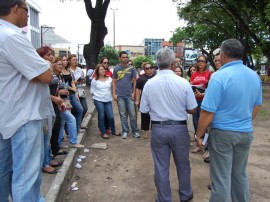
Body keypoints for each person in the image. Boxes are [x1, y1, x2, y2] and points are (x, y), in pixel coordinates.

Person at [196, 39, 262, 202]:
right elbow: (256, 107)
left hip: (223, 133)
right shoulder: (254, 76)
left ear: (223, 55)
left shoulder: (219, 77)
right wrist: (243, 121)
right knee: (239, 175)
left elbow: (207, 112)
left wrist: (199, 135)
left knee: (221, 179)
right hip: (245, 132)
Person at [0, 0, 54, 201]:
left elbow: (36, 73)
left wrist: (37, 72)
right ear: (15, 8)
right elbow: (45, 75)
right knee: (26, 177)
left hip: (7, 112)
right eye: (26, 10)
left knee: (5, 172)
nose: (27, 15)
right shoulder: (13, 36)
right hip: (23, 114)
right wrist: (41, 69)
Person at [140, 48, 198, 202]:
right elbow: (192, 109)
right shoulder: (183, 83)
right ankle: (185, 195)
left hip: (158, 129)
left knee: (161, 167)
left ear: (157, 64)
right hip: (179, 129)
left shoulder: (149, 84)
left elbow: (144, 109)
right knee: (183, 165)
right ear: (173, 64)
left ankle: (164, 199)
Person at [112, 51, 140, 139]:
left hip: (129, 95)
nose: (125, 59)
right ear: (120, 58)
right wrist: (114, 94)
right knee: (123, 115)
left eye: (126, 57)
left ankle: (135, 131)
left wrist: (133, 93)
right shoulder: (116, 68)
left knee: (132, 114)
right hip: (120, 95)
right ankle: (125, 131)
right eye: (123, 57)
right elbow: (114, 82)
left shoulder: (131, 69)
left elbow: (135, 81)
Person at [190, 55, 212, 155]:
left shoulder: (209, 74)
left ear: (206, 62)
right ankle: (199, 144)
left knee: (205, 123)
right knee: (196, 121)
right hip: (195, 100)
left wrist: (203, 94)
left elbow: (211, 89)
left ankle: (206, 146)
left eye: (203, 61)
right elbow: (190, 85)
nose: (200, 63)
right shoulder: (194, 74)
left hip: (205, 101)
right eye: (199, 61)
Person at [91, 64, 119, 139]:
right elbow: (92, 90)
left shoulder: (109, 79)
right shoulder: (94, 80)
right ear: (97, 71)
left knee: (110, 116)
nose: (103, 71)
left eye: (103, 69)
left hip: (108, 100)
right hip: (98, 100)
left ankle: (113, 131)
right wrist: (95, 98)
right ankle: (103, 132)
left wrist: (114, 95)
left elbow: (113, 88)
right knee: (101, 116)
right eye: (101, 69)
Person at [135, 62, 156, 139]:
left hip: (155, 100)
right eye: (147, 68)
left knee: (155, 116)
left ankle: (154, 131)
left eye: (151, 67)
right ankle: (146, 132)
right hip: (145, 100)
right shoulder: (141, 79)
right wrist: (137, 100)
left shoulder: (156, 77)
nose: (149, 69)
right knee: (145, 116)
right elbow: (137, 89)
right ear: (144, 70)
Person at [68, 54, 88, 122]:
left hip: (80, 90)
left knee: (85, 108)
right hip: (73, 90)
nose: (75, 61)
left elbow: (83, 81)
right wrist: (76, 82)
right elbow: (70, 82)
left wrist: (82, 80)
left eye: (76, 60)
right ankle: (76, 124)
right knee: (76, 109)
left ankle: (79, 122)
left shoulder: (79, 69)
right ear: (70, 61)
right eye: (73, 60)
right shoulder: (68, 70)